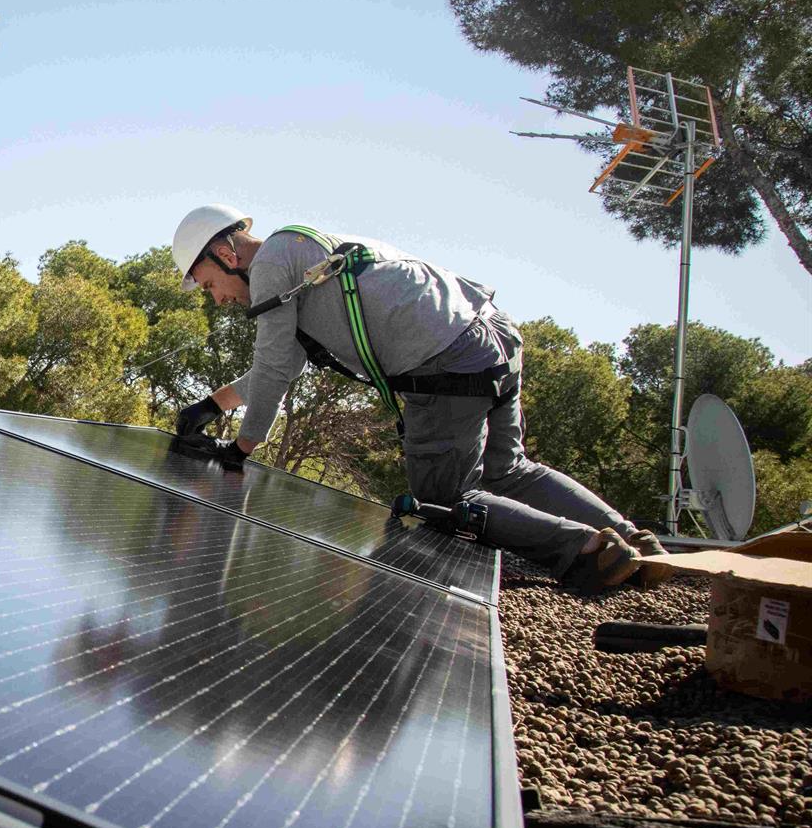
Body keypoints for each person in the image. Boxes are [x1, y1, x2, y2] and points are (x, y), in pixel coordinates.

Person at [167, 203, 663, 591]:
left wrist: (240, 450)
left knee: (444, 501)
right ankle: (634, 540)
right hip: (490, 335)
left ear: (227, 255)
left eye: (210, 284)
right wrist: (214, 405)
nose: (218, 299)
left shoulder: (273, 265)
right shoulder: (297, 247)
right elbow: (281, 366)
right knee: (509, 472)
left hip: (445, 362)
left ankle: (591, 553)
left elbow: (275, 368)